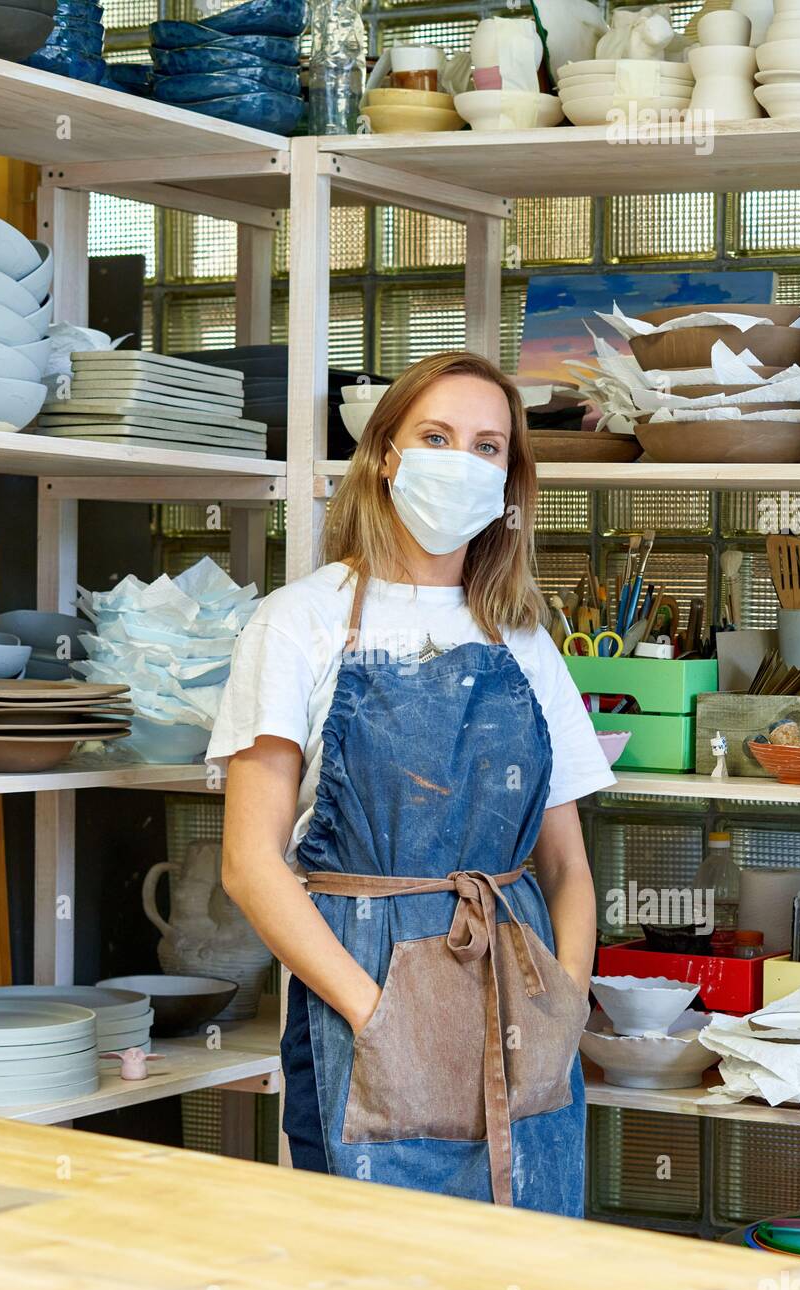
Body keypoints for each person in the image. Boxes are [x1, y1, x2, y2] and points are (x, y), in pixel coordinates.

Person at [210, 350, 614, 1212]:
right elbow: (249, 863)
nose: (461, 461)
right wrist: (379, 1016)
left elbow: (568, 866)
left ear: (508, 478)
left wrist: (565, 1005)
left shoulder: (523, 636)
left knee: (529, 1255)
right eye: (436, 437)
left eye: (487, 446)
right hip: (365, 984)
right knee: (381, 1256)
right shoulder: (298, 622)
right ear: (386, 453)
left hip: (519, 994)